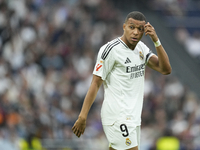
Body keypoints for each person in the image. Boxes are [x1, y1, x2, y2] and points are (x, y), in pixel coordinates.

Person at [72, 11, 171, 150]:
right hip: (117, 116)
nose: (136, 32)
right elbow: (95, 83)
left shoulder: (141, 48)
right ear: (124, 27)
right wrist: (82, 116)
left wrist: (156, 40)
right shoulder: (110, 50)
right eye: (132, 27)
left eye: (140, 29)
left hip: (134, 118)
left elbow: (165, 69)